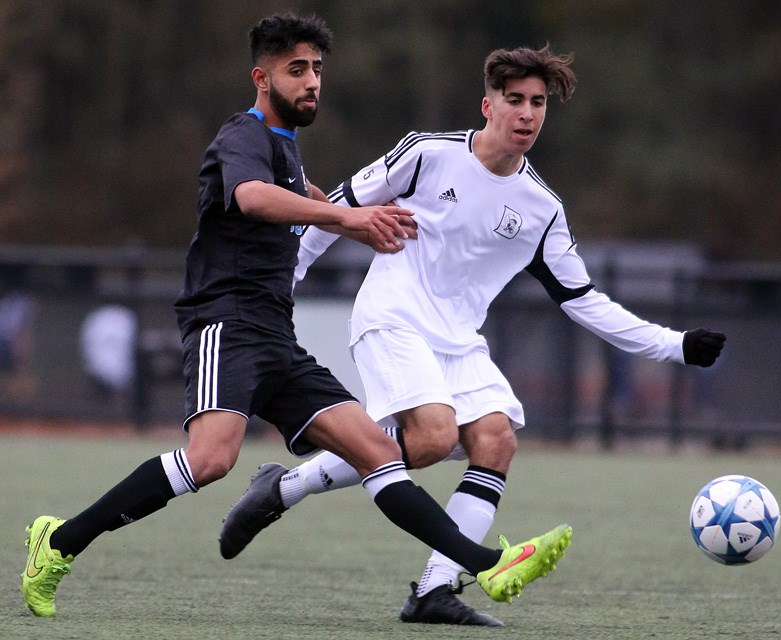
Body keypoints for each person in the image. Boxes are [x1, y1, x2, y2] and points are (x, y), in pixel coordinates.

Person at [20, 13, 573, 619]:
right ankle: (60, 541)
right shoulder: (244, 136)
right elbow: (253, 198)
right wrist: (346, 219)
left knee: (379, 453)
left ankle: (478, 567)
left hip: (275, 335)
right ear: (262, 77)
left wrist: (363, 221)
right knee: (210, 461)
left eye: (316, 69)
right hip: (225, 324)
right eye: (296, 70)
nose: (312, 82)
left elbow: (311, 197)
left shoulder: (284, 146)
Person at [218, 44, 726, 626]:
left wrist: (674, 345)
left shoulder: (542, 211)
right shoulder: (426, 154)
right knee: (432, 438)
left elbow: (584, 302)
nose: (527, 114)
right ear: (487, 105)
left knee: (496, 439)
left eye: (538, 103)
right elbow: (336, 209)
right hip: (392, 316)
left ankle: (431, 590)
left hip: (458, 341)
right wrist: (283, 284)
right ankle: (287, 490)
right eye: (515, 100)